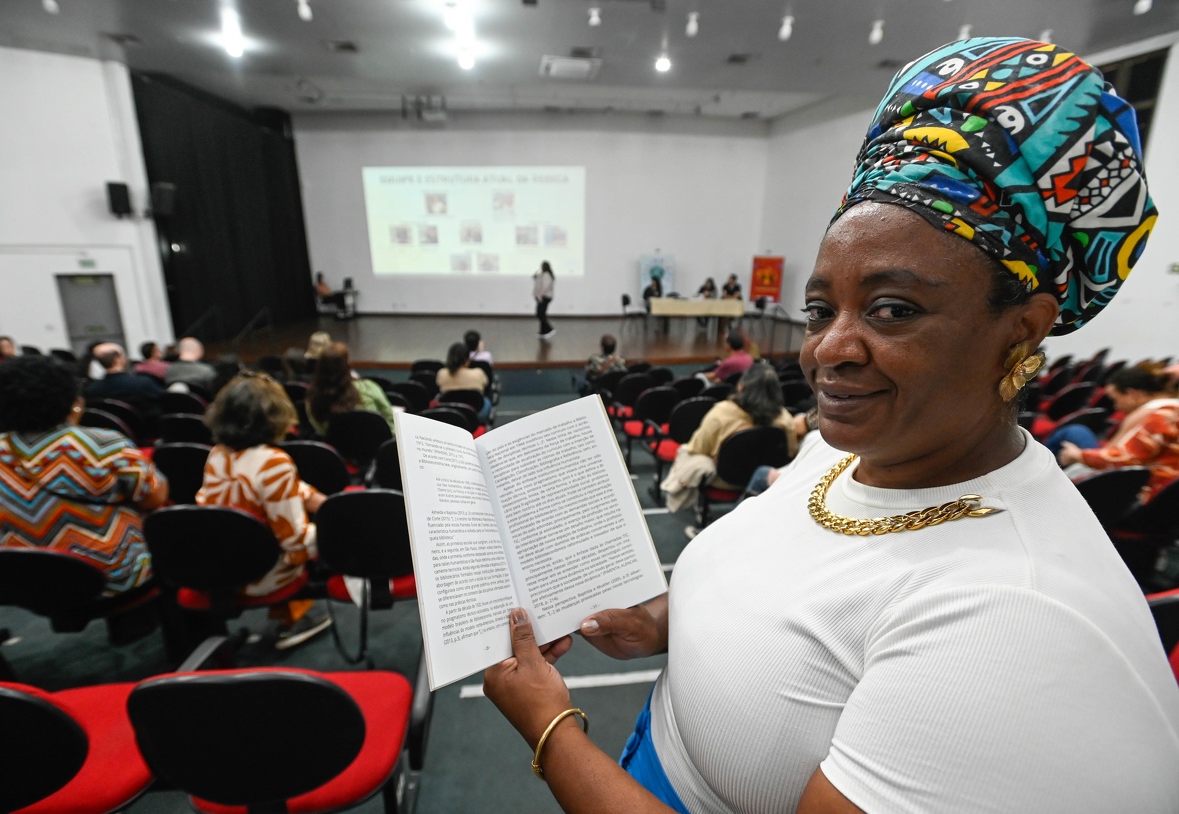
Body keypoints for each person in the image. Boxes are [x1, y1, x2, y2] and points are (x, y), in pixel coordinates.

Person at [482, 38, 1179, 813]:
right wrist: (663, 623)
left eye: (892, 309)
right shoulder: (853, 448)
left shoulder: (1014, 621)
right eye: (821, 309)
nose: (827, 350)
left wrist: (551, 730)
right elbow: (787, 586)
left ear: (1021, 330)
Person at [0, 355, 167, 595]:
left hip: (32, 580)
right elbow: (155, 498)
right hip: (111, 578)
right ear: (72, 400)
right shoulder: (103, 444)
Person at [197, 371, 332, 650]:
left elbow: (270, 488)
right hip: (260, 574)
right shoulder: (274, 462)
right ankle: (293, 620)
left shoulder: (217, 454)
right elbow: (295, 543)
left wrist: (322, 502)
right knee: (322, 535)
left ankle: (290, 616)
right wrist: (336, 526)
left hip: (218, 565)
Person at [660, 364, 798, 518]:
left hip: (724, 480)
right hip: (766, 482)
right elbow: (791, 452)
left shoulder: (721, 413)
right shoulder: (785, 419)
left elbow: (697, 448)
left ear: (741, 386)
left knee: (686, 451)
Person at [1056, 366, 1179, 502]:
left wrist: (1078, 455)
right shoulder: (1171, 409)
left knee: (1073, 432)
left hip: (1153, 494)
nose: (1116, 407)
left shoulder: (1162, 415)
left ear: (1133, 395)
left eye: (1116, 400)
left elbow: (1127, 459)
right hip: (1167, 492)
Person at [306, 341, 395, 435]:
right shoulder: (368, 388)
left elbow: (321, 431)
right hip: (377, 442)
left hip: (337, 444)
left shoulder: (312, 398)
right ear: (347, 364)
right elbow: (390, 417)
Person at [84, 342, 165, 424]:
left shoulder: (92, 390)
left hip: (113, 429)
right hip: (147, 429)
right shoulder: (143, 383)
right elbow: (165, 400)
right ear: (118, 359)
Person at [436, 341, 491, 420]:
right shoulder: (478, 373)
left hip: (449, 414)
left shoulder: (442, 373)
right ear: (468, 359)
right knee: (487, 401)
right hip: (476, 414)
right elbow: (486, 388)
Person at [534, 261, 555, 338]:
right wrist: (536, 276)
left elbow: (545, 286)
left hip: (545, 296)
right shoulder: (543, 274)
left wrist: (540, 295)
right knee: (541, 314)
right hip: (543, 296)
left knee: (540, 314)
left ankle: (549, 329)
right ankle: (543, 332)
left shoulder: (546, 275)